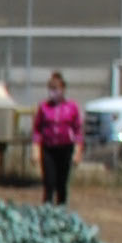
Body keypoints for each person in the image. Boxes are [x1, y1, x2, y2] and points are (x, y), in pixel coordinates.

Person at [36, 71, 83, 208]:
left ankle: (61, 209)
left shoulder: (71, 107)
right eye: (51, 88)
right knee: (49, 181)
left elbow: (78, 130)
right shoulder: (44, 107)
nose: (53, 92)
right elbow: (37, 129)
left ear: (63, 89)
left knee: (62, 182)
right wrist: (35, 149)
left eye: (56, 88)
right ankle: (47, 209)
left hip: (65, 147)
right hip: (48, 148)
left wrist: (78, 152)